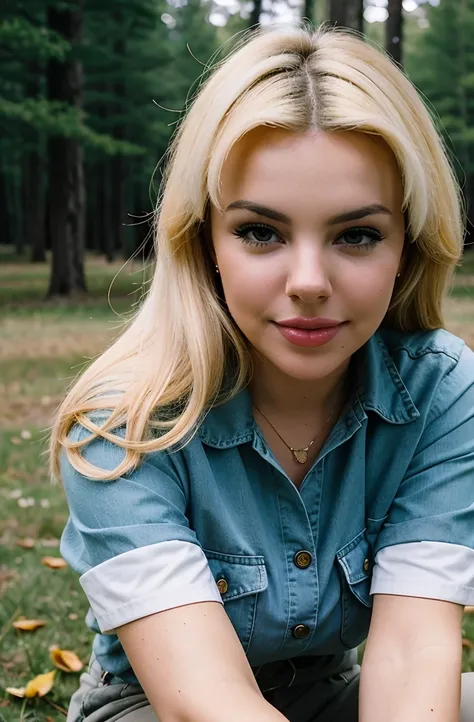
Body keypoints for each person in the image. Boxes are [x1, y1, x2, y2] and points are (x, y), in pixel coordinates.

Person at [51, 23, 474, 722]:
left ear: (408, 245)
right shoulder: (122, 417)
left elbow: (407, 662)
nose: (308, 282)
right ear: (203, 240)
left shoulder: (442, 391)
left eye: (357, 235)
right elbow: (205, 703)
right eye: (260, 232)